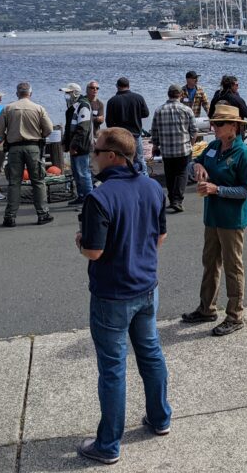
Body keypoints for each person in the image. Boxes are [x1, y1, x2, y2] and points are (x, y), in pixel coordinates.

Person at [75, 127, 171, 466]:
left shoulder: (99, 197)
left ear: (113, 156)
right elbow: (159, 238)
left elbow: (93, 252)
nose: (93, 156)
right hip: (147, 287)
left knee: (113, 368)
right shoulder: (152, 187)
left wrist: (80, 241)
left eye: (97, 150)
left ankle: (108, 444)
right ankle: (160, 418)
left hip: (112, 294)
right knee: (151, 353)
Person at [181, 104, 247, 337]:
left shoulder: (243, 153)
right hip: (212, 216)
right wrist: (198, 166)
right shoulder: (213, 147)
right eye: (214, 122)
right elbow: (194, 162)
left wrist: (217, 189)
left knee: (233, 267)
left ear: (234, 127)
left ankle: (235, 315)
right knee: (210, 262)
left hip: (232, 220)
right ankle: (207, 308)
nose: (214, 126)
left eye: (220, 123)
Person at [0, 82, 54, 228]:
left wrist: (9, 135)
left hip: (14, 149)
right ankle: (42, 214)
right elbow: (49, 129)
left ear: (17, 93)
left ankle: (10, 217)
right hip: (33, 147)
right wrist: (40, 134)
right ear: (30, 94)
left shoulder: (8, 108)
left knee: (14, 183)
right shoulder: (38, 108)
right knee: (38, 181)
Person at [151, 84, 197, 213]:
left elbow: (154, 130)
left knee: (170, 174)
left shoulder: (159, 110)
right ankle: (178, 200)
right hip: (183, 148)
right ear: (181, 94)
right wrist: (191, 144)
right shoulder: (186, 110)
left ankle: (172, 199)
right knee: (182, 173)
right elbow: (194, 130)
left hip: (167, 149)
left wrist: (155, 145)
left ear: (168, 94)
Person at [106, 77, 151, 175]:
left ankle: (124, 179)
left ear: (117, 86)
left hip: (120, 137)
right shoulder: (138, 97)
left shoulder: (112, 101)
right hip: (135, 134)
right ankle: (144, 179)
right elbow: (146, 113)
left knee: (121, 160)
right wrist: (135, 115)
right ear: (129, 86)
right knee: (139, 159)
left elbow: (109, 123)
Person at [61, 82, 94, 205]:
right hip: (75, 145)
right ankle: (81, 196)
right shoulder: (75, 106)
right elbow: (70, 126)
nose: (66, 95)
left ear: (75, 93)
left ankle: (90, 200)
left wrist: (75, 145)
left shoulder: (83, 105)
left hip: (81, 146)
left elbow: (83, 128)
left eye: (68, 93)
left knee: (83, 173)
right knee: (77, 172)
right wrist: (65, 142)